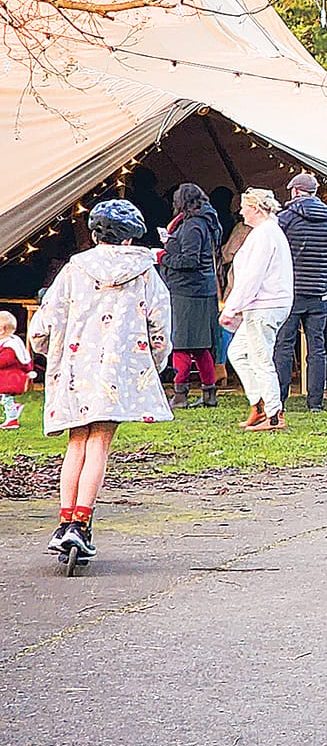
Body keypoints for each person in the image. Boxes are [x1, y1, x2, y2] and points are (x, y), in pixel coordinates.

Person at [29, 199, 172, 561]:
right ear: (130, 238)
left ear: (95, 234)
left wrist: (47, 352)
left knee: (76, 442)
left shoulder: (74, 269)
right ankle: (81, 524)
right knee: (100, 443)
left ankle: (64, 523)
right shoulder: (145, 272)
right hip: (117, 371)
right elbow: (159, 325)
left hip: (75, 368)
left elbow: (44, 323)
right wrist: (153, 363)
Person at [220, 189, 294, 431]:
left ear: (256, 208)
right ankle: (259, 404)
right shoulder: (269, 232)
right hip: (268, 303)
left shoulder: (264, 235)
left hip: (265, 305)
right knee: (238, 352)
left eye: (244, 207)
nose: (241, 211)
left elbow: (252, 276)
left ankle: (273, 414)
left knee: (261, 358)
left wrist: (232, 307)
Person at [273, 172, 327, 412]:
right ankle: (315, 402)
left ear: (295, 191)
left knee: (284, 346)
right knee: (317, 348)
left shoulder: (284, 219)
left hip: (290, 292)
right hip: (320, 292)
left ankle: (279, 399)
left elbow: (274, 254)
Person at [160, 182, 224, 408]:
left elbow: (190, 260)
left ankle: (180, 393)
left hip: (187, 291)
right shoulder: (207, 222)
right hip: (202, 289)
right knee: (200, 345)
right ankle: (209, 392)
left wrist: (162, 257)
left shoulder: (192, 226)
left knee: (181, 344)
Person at [0, 312, 32, 428]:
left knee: (6, 398)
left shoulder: (10, 346)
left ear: (1, 330)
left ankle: (12, 419)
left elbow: (4, 361)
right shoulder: (10, 342)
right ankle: (14, 407)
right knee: (4, 398)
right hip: (7, 377)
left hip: (10, 379)